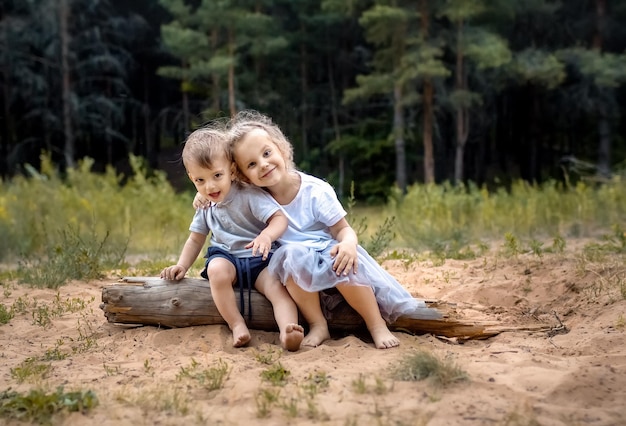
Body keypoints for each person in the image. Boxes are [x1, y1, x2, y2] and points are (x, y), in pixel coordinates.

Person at [195, 110, 441, 349]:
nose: (263, 164)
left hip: (327, 251)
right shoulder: (253, 195)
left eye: (267, 153)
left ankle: (376, 325)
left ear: (282, 148)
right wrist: (201, 195)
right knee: (289, 257)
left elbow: (344, 230)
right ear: (244, 176)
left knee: (341, 261)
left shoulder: (315, 190)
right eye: (251, 164)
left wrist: (347, 244)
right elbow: (218, 183)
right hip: (295, 261)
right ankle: (318, 324)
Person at [162, 125, 304, 351]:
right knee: (216, 270)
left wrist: (266, 236)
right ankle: (236, 324)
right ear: (191, 178)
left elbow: (279, 219)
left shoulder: (249, 195)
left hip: (259, 257)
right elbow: (196, 239)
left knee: (277, 288)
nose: (210, 186)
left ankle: (289, 330)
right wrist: (182, 265)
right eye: (200, 180)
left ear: (232, 170)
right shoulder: (205, 204)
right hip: (226, 256)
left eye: (217, 175)